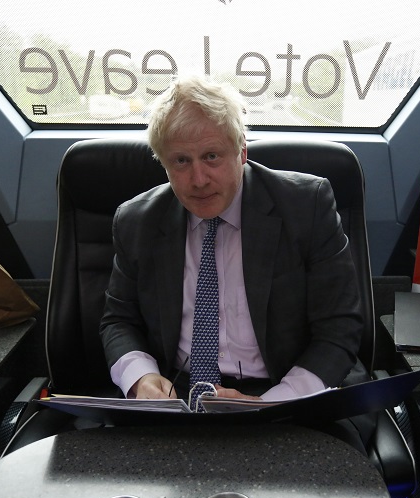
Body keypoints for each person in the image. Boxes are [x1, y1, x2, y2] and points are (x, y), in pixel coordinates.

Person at [99, 76, 366, 414]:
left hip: (282, 388)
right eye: (181, 161)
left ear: (241, 151)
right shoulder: (137, 221)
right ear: (163, 163)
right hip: (179, 393)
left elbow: (339, 329)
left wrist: (271, 405)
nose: (198, 180)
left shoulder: (306, 205)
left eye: (211, 156)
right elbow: (118, 320)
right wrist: (142, 377)